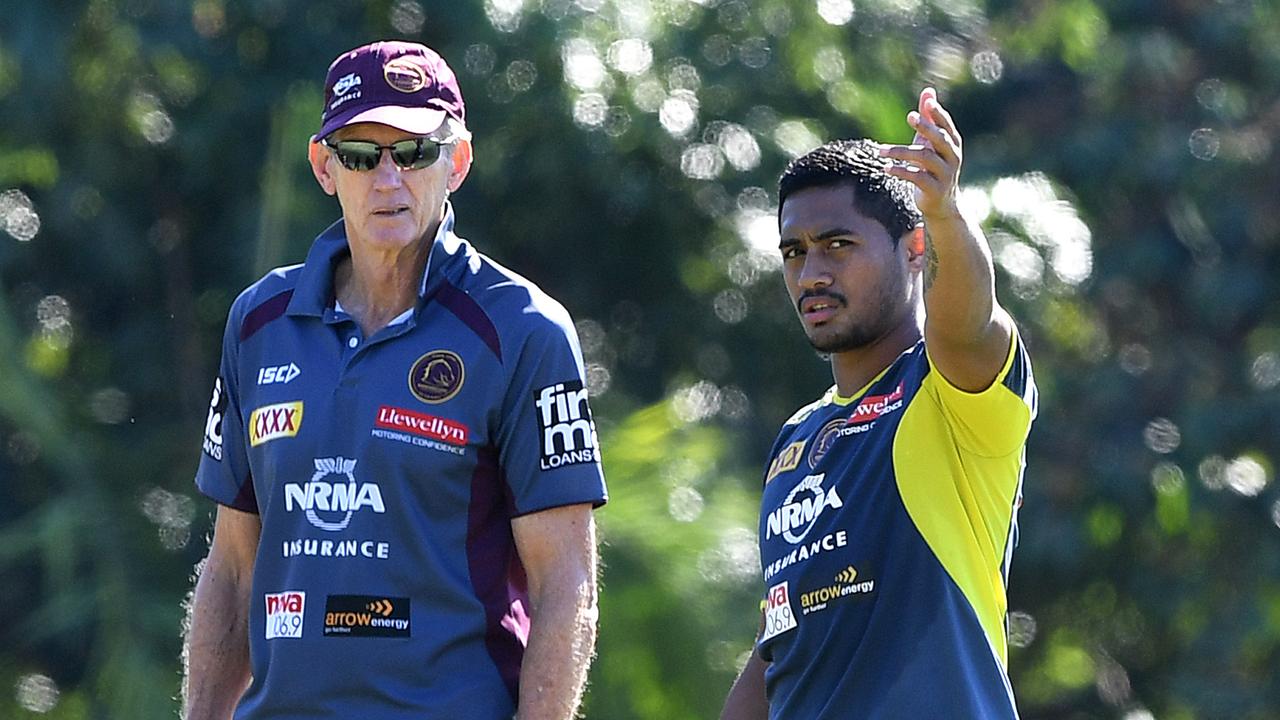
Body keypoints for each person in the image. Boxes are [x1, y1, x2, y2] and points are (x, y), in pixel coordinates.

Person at [183, 40, 607, 720]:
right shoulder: (257, 324)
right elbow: (231, 572)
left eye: (413, 152)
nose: (388, 179)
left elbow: (567, 586)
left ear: (457, 161)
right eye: (360, 154)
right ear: (325, 166)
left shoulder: (524, 331)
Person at [721, 88, 1038, 719]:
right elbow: (779, 644)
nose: (811, 273)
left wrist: (945, 213)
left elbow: (969, 324)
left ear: (916, 250)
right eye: (794, 251)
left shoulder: (948, 393)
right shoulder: (795, 440)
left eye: (838, 244)